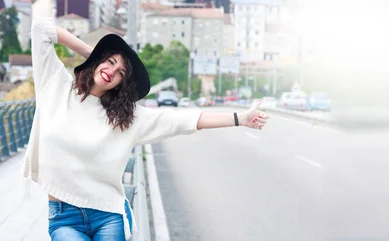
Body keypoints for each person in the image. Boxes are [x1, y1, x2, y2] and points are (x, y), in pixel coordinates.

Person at [20, 16, 269, 241]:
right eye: (109, 62)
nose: (111, 71)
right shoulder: (55, 85)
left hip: (107, 215)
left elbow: (184, 120)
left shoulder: (126, 118)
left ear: (122, 83)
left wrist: (240, 118)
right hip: (64, 217)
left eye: (120, 72)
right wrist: (94, 54)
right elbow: (41, 28)